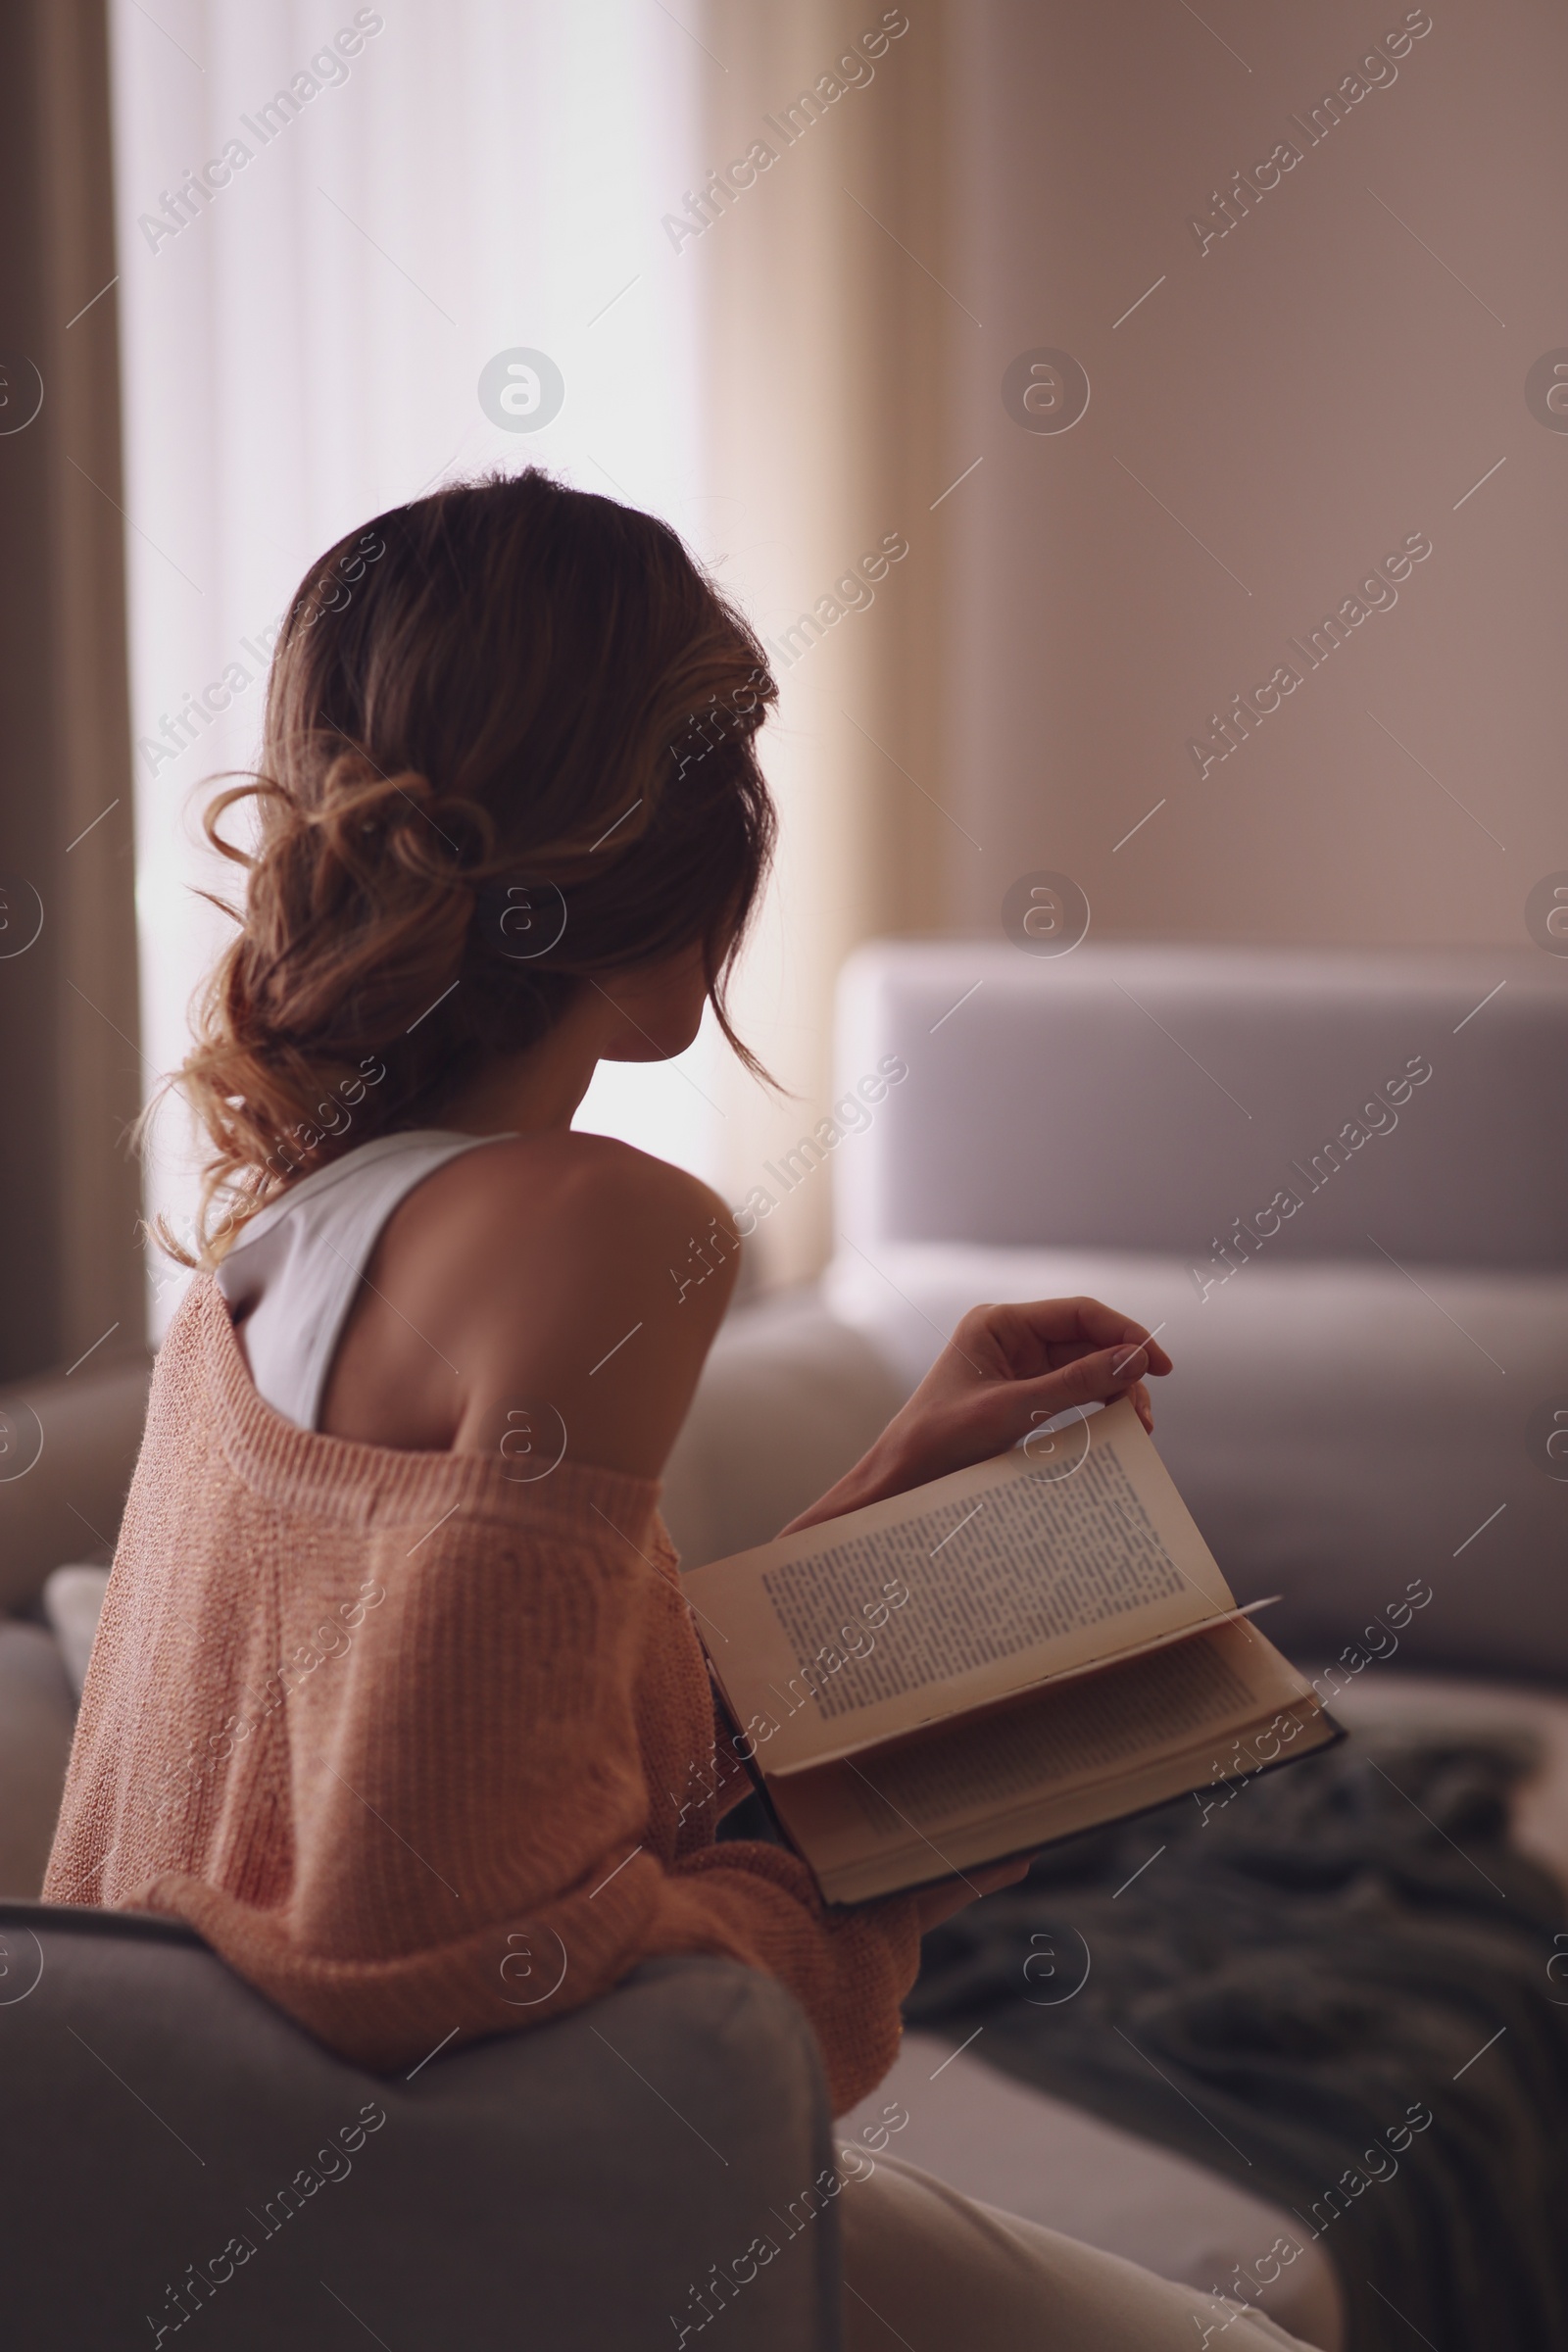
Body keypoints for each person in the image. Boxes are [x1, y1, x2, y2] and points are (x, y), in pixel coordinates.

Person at [46, 469, 1310, 2348]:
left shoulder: (281, 1247)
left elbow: (497, 1754)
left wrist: (892, 1495)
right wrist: (865, 1881)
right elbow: (444, 1941)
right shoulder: (603, 1224)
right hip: (473, 2238)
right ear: (693, 852)